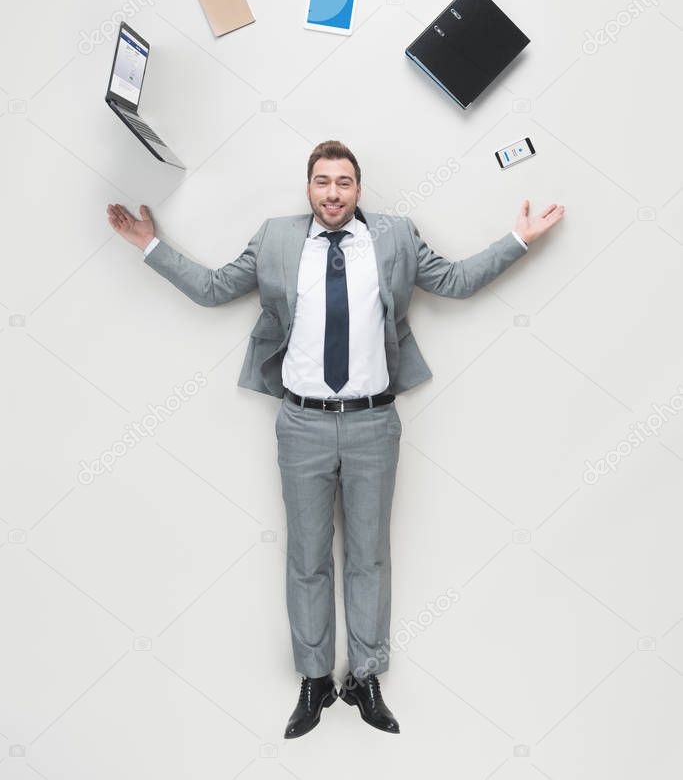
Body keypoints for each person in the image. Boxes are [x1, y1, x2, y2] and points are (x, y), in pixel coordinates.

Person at [106, 139, 564, 738]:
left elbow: (453, 281)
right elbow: (216, 287)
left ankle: (366, 677)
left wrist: (518, 239)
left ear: (358, 188)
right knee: (307, 558)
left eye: (343, 182)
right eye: (322, 181)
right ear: (308, 188)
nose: (332, 193)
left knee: (371, 556)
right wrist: (150, 247)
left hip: (375, 423)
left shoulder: (396, 236)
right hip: (302, 425)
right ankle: (316, 679)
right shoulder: (276, 238)